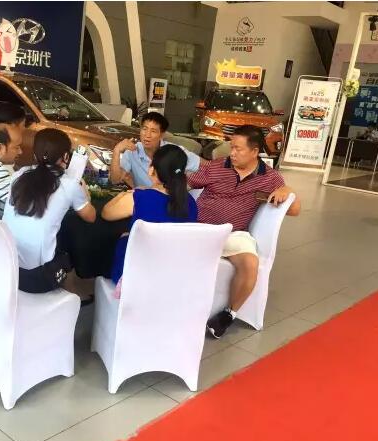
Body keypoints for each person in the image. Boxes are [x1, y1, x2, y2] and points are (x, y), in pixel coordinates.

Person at [188, 125, 301, 339]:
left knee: (250, 263)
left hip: (233, 233)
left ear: (254, 151)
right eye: (231, 147)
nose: (232, 153)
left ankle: (228, 314)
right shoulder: (217, 166)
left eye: (238, 149)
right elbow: (187, 183)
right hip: (200, 229)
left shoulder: (270, 178)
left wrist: (287, 190)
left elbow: (295, 210)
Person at [3, 128, 96, 293]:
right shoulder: (69, 185)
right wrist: (85, 194)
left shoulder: (19, 175)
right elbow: (91, 217)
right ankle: (71, 294)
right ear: (65, 157)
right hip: (34, 279)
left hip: (5, 266)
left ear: (35, 154)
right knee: (68, 240)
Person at [103, 144, 199, 285]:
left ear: (152, 169)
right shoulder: (191, 203)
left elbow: (106, 213)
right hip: (173, 274)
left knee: (120, 237)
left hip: (136, 276)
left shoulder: (139, 198)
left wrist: (125, 193)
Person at [109, 112, 202, 189]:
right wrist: (116, 151)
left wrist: (186, 186)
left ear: (161, 135)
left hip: (170, 199)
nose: (147, 135)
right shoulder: (132, 151)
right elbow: (115, 180)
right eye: (144, 129)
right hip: (145, 199)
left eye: (153, 131)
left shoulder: (173, 151)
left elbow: (207, 167)